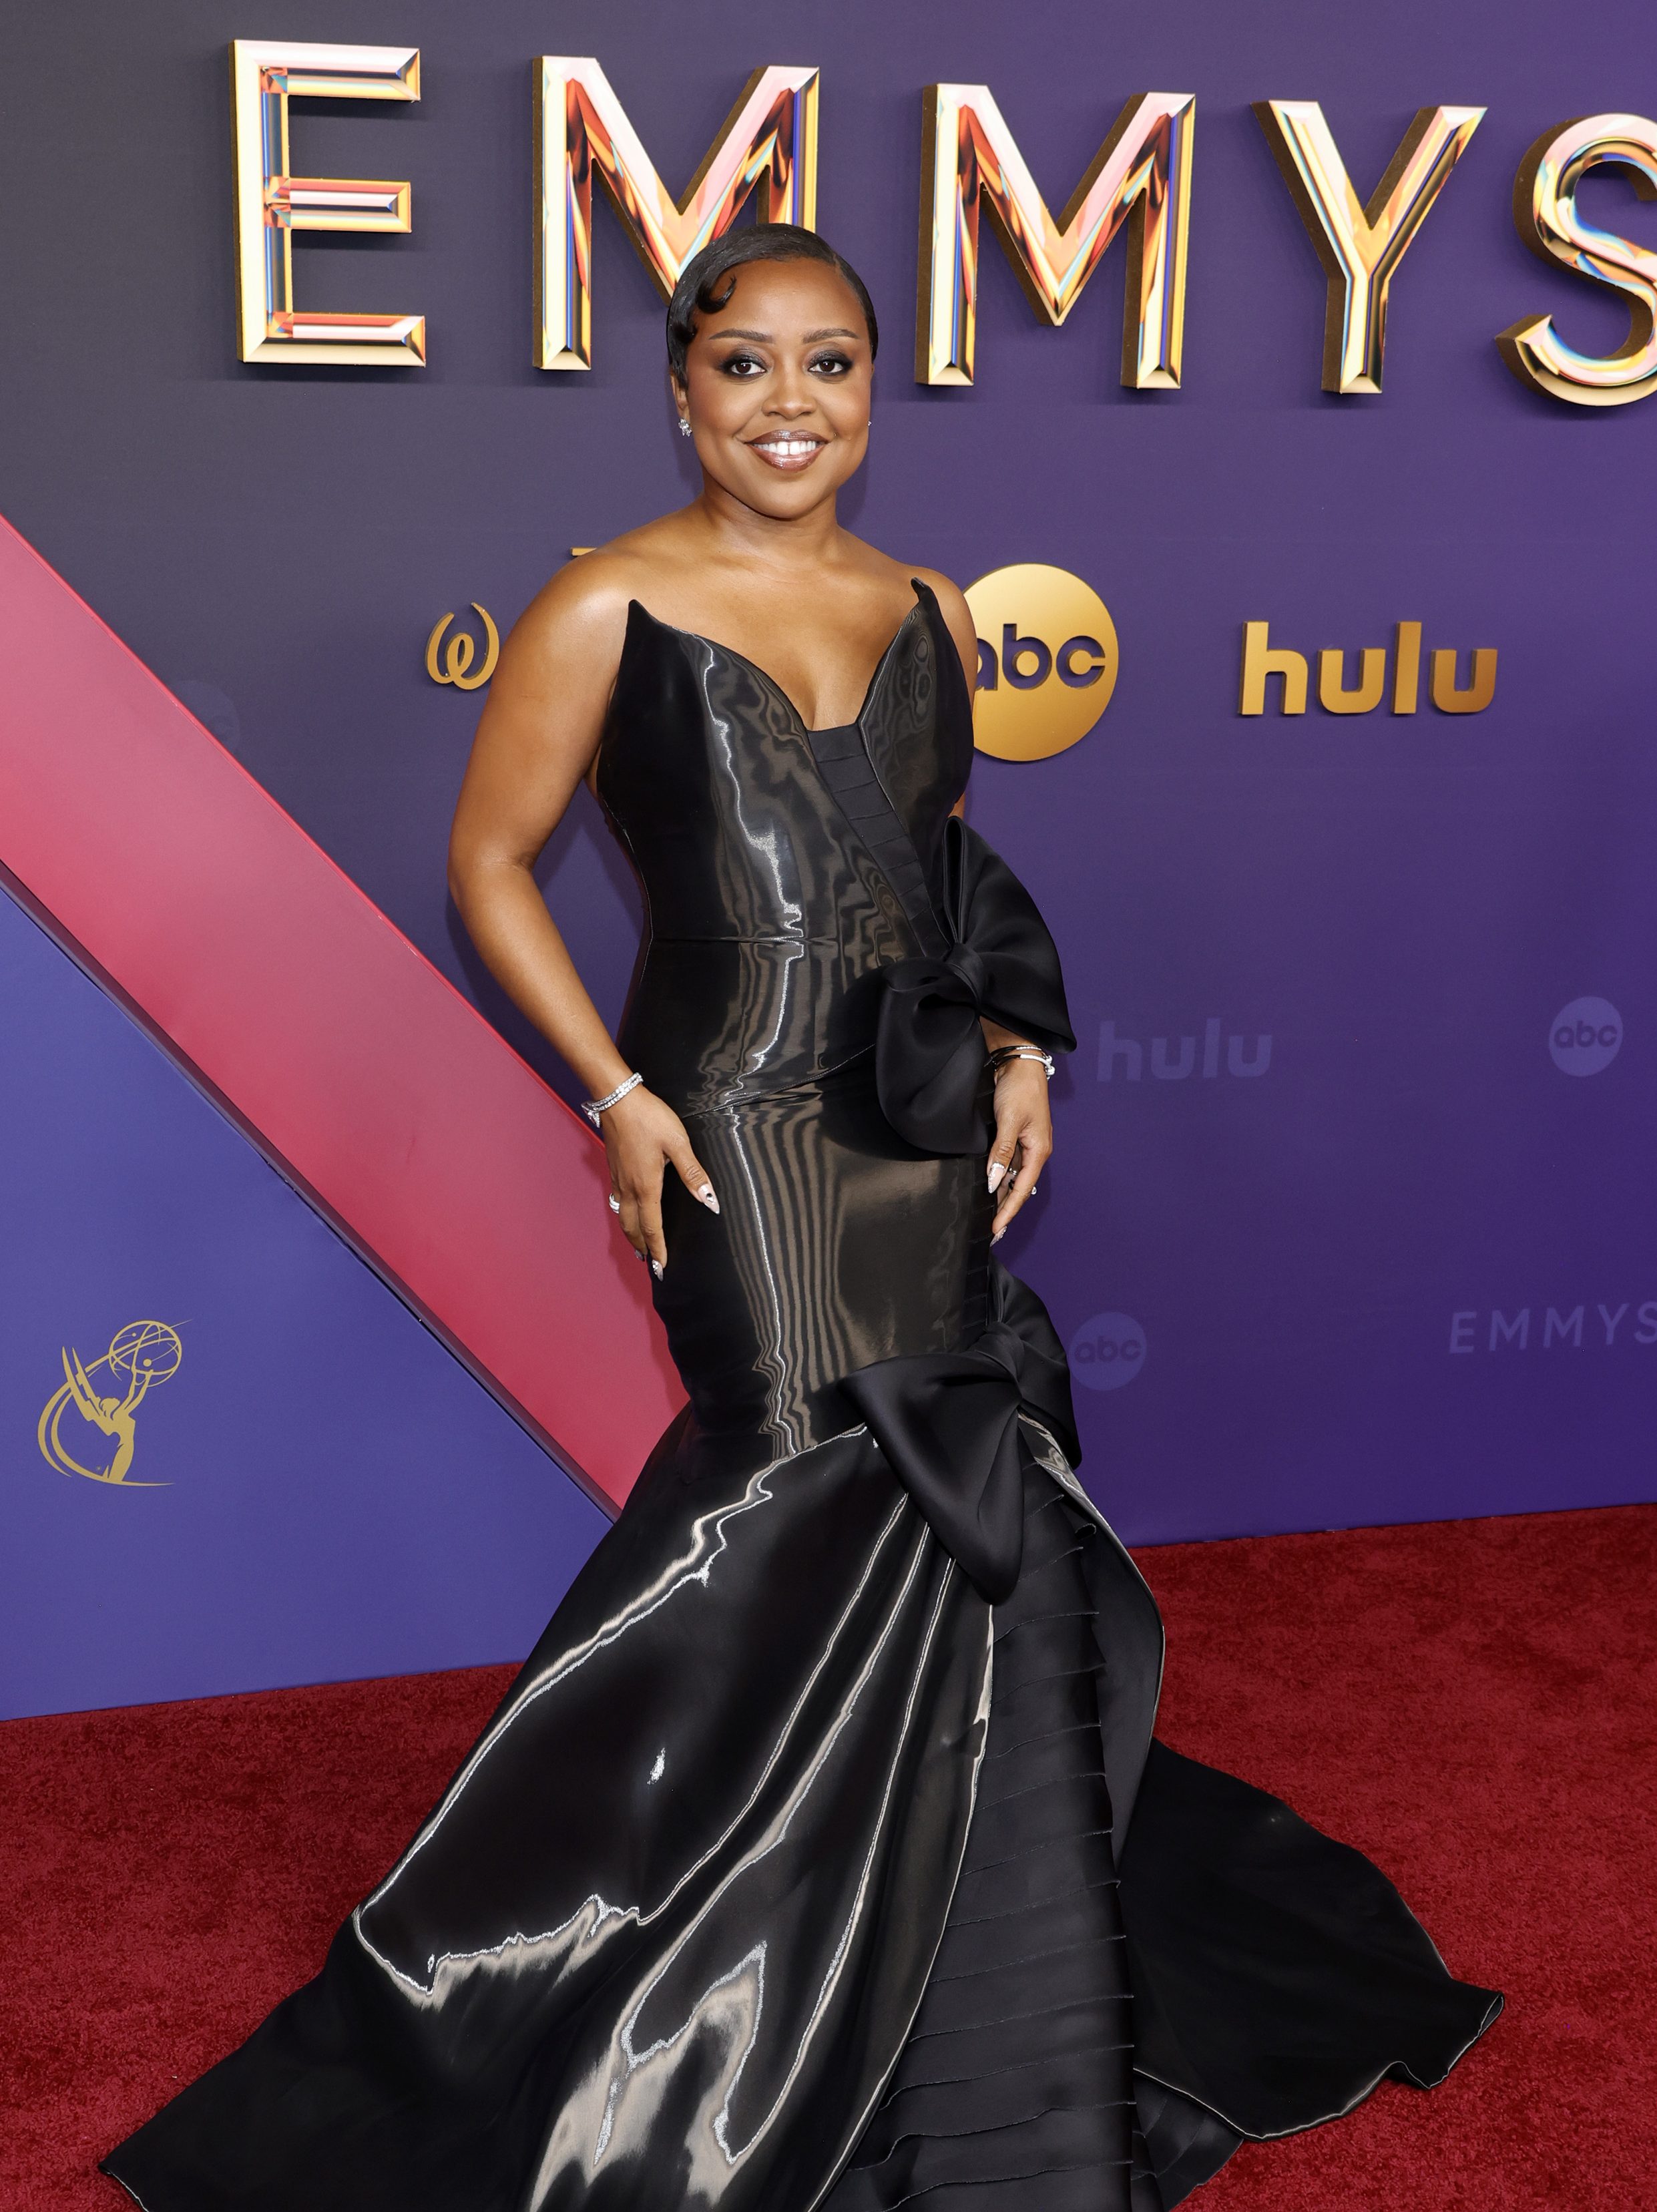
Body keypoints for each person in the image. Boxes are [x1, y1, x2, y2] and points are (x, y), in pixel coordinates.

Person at [103, 225, 1499, 2212]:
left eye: (827, 363)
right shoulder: (606, 601)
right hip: (729, 1120)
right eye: (743, 364)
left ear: (871, 389)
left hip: (909, 1114)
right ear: (679, 391)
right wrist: (611, 1089)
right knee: (783, 1475)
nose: (786, 403)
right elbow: (490, 865)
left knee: (928, 1493)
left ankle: (923, 1936)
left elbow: (933, 863)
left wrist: (1017, 1032)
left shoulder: (923, 602)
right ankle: (613, 1924)